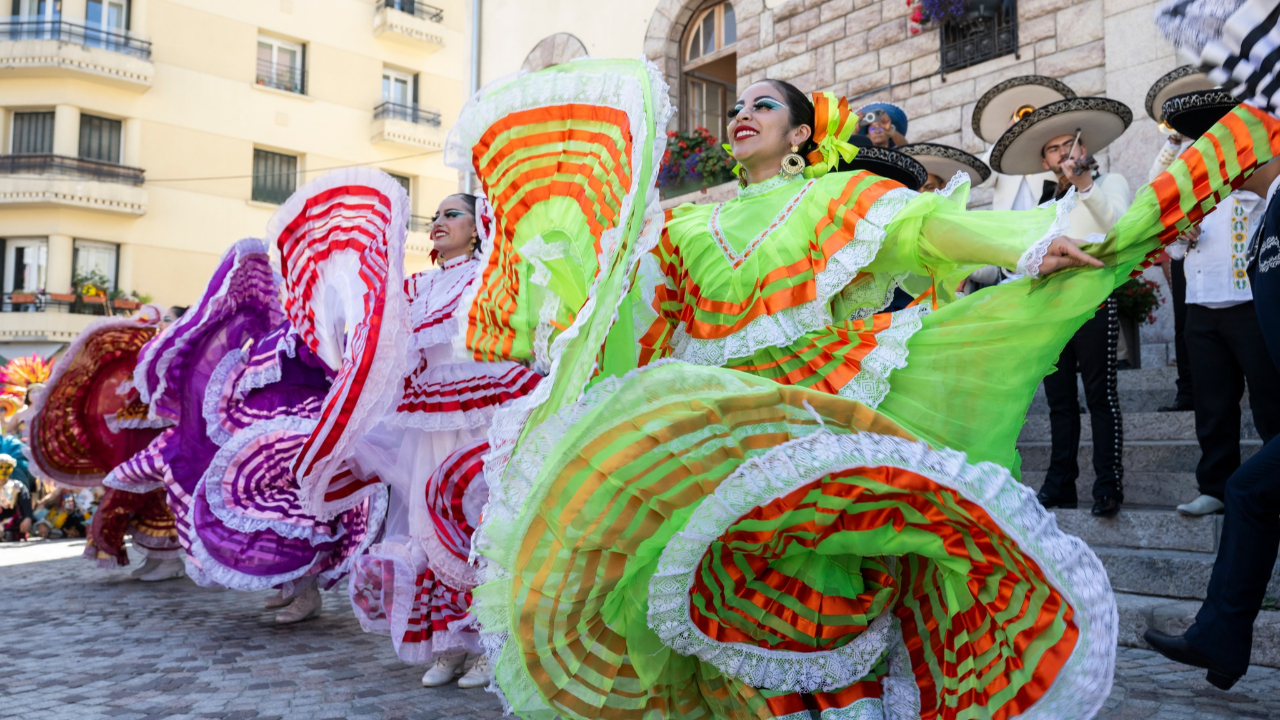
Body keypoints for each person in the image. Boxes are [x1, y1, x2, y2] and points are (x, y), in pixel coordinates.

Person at [359, 59, 1202, 720]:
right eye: (738, 106)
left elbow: (926, 227)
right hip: (711, 428)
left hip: (815, 404)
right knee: (722, 592)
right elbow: (617, 293)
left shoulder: (841, 196)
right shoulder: (685, 224)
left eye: (763, 104)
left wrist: (1026, 245)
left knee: (821, 575)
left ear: (802, 133)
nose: (741, 113)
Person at [340, 192, 539, 689]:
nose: (439, 222)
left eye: (453, 214)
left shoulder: (490, 275)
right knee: (426, 522)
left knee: (479, 520)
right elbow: (385, 338)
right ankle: (448, 644)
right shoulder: (418, 285)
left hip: (481, 409)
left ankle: (490, 644)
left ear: (477, 227)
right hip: (427, 415)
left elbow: (509, 329)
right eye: (435, 216)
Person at [1144, 106, 1280, 693]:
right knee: (1250, 489)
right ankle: (1220, 641)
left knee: (1253, 489)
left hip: (1246, 324)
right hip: (1207, 309)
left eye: (1226, 160)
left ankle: (1219, 639)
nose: (1217, 175)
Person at [989, 93, 1135, 517]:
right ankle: (1060, 484)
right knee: (1059, 403)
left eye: (1065, 145)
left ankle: (1107, 485)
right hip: (1050, 309)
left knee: (1100, 396)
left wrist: (1086, 186)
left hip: (1092, 299)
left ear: (1082, 148)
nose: (1061, 154)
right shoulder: (1044, 204)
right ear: (1045, 162)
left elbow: (1118, 230)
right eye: (1051, 150)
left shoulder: (1111, 184)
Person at [1157, 89, 1280, 516]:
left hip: (1249, 300)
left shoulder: (1253, 161)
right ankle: (1215, 486)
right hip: (1201, 303)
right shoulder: (1186, 174)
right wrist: (1181, 233)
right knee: (1212, 403)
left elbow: (1262, 201)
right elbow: (1169, 245)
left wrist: (1230, 189)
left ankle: (1273, 483)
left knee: (1270, 400)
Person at [0, 454, 33, 541]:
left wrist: (28, 518)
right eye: (1, 467)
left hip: (13, 524)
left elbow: (26, 505)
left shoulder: (18, 486)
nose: (4, 470)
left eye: (8, 467)